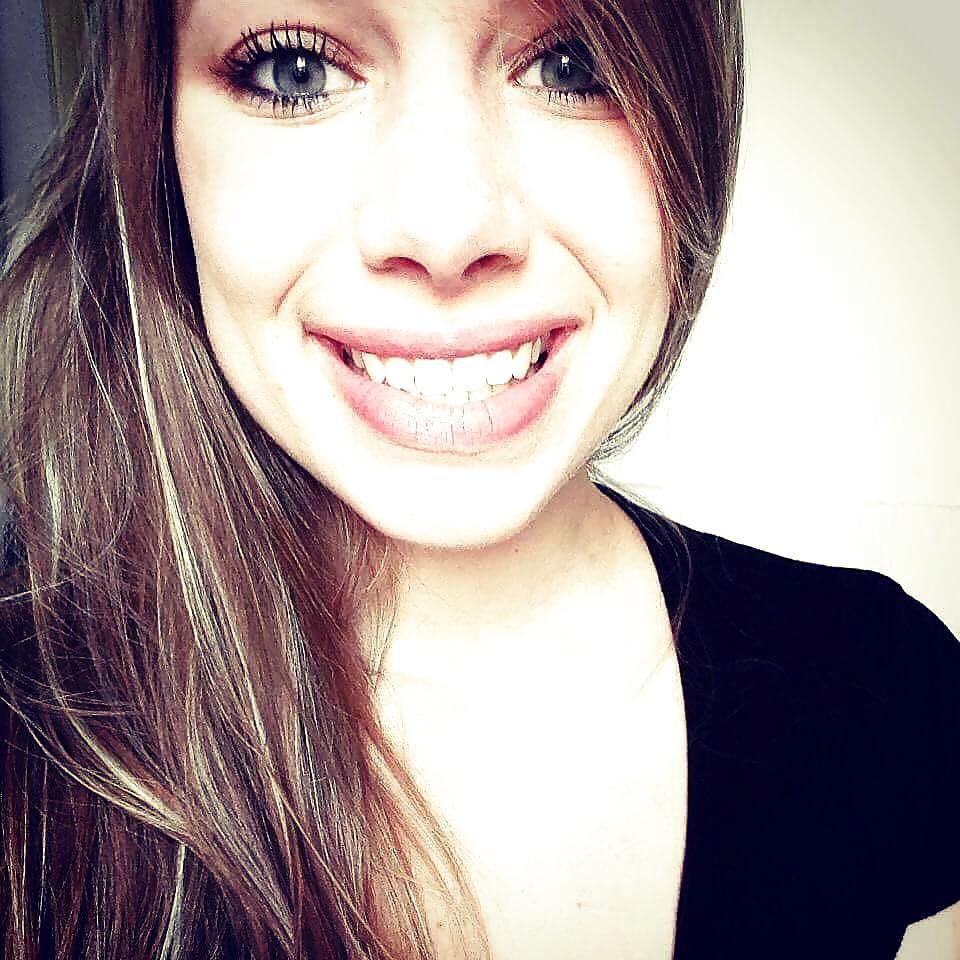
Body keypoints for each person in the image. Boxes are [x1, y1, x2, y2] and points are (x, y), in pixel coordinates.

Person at [0, 0, 957, 958]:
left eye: (574, 65)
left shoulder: (885, 690)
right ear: (157, 141)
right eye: (296, 69)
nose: (448, 230)